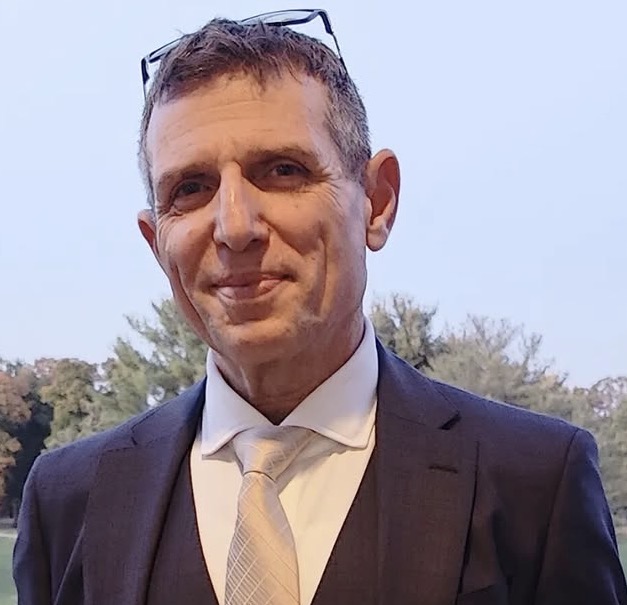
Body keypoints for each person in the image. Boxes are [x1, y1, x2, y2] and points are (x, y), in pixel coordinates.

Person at [13, 10, 627, 605]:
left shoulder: (534, 484)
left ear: (377, 201)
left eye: (282, 170)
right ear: (156, 242)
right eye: (190, 189)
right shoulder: (69, 502)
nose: (234, 227)